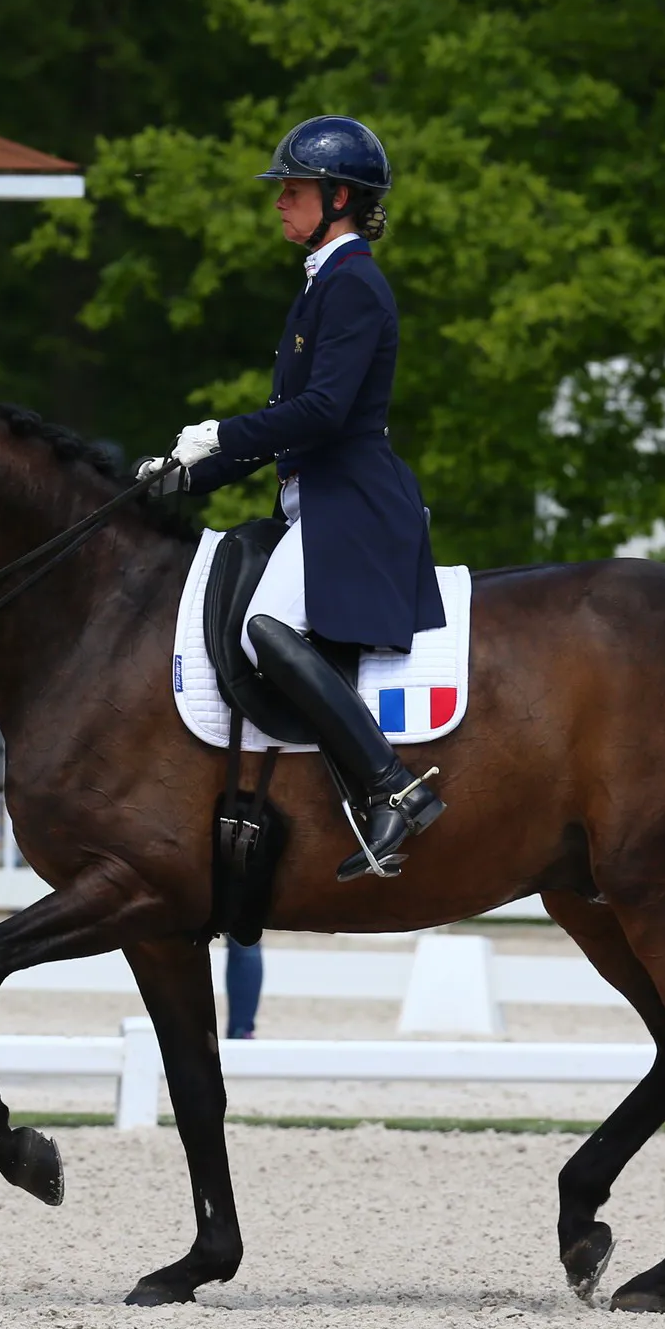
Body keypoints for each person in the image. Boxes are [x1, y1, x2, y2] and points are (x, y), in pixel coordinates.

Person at [145, 116, 448, 881]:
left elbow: (323, 414)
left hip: (352, 503)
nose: (280, 201)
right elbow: (289, 432)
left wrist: (219, 431)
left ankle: (391, 784)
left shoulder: (353, 284)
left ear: (338, 195)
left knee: (261, 627)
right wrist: (189, 473)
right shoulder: (323, 283)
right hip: (316, 497)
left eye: (294, 188)